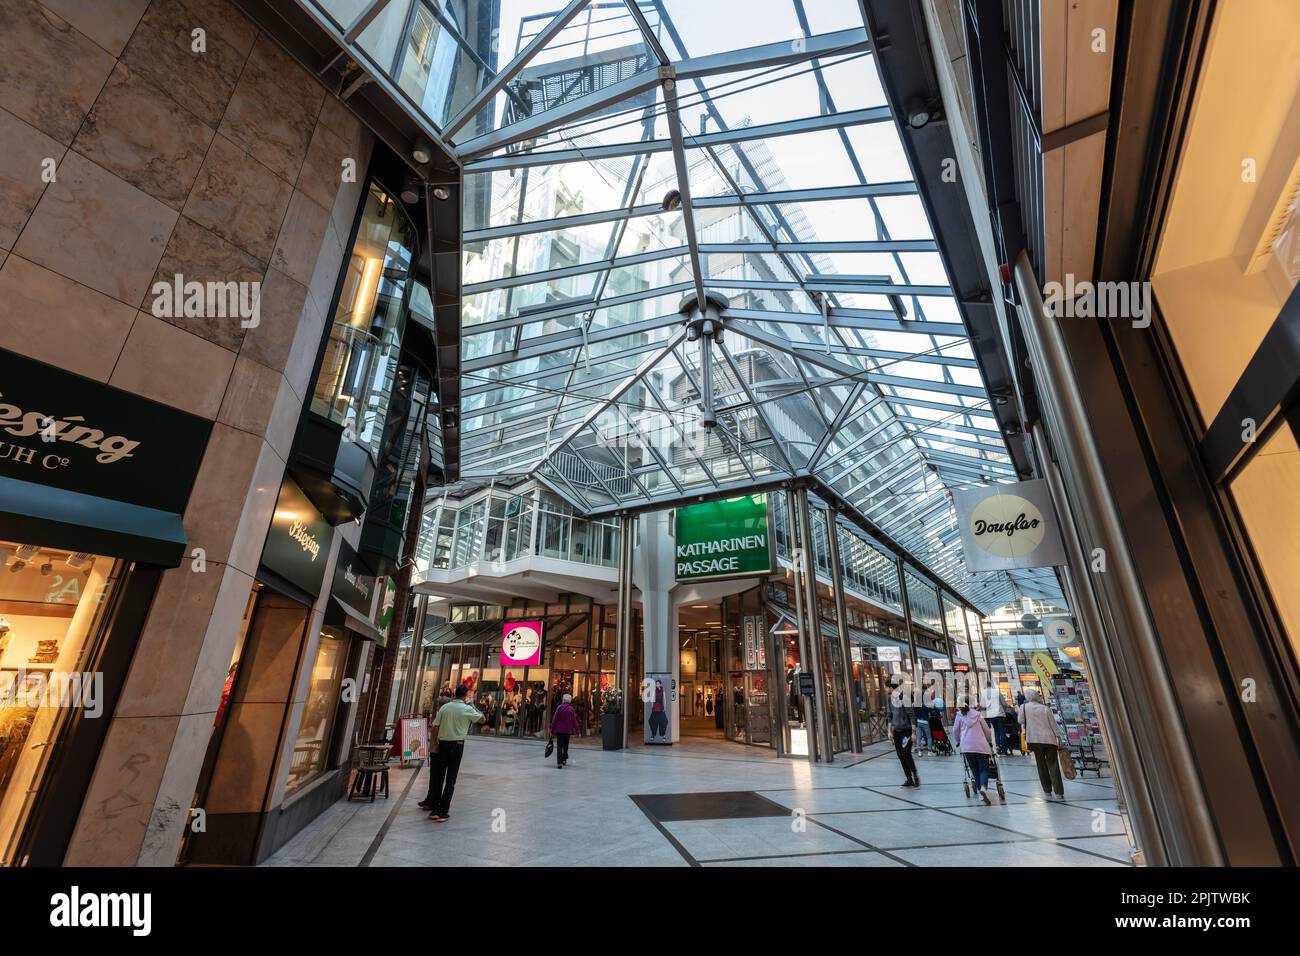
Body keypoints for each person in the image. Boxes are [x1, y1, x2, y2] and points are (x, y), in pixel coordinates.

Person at [419, 684, 485, 822]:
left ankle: (434, 809)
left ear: (454, 694)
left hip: (442, 745)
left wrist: (434, 744)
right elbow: (482, 719)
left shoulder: (445, 707)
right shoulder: (467, 709)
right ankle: (443, 811)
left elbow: (435, 726)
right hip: (457, 746)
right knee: (450, 780)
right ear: (465, 695)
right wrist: (472, 705)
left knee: (438, 778)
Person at [1018, 688, 1066, 799]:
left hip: (1034, 739)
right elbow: (1053, 725)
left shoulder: (1023, 707)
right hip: (1049, 739)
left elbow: (1020, 721)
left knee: (1041, 765)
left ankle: (1047, 790)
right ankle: (1059, 792)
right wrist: (1059, 737)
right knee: (1053, 765)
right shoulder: (1046, 708)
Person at [952, 699, 995, 804]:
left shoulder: (959, 716)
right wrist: (989, 741)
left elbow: (955, 731)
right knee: (983, 769)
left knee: (974, 769)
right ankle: (983, 788)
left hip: (967, 746)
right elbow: (987, 730)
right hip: (981, 745)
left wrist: (958, 741)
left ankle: (980, 788)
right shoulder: (978, 714)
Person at [887, 679, 920, 787]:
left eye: (886, 687)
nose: (885, 689)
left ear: (891, 688)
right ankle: (909, 778)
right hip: (897, 731)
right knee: (900, 755)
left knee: (906, 753)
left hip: (907, 731)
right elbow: (890, 715)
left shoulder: (904, 698)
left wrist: (913, 733)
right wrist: (889, 731)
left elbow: (912, 716)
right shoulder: (889, 700)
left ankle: (915, 774)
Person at [550, 693, 579, 768]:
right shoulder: (571, 709)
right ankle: (564, 759)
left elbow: (555, 720)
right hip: (568, 731)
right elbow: (574, 721)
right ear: (570, 700)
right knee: (566, 745)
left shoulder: (559, 708)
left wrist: (552, 730)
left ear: (563, 699)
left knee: (559, 746)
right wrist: (577, 731)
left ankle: (559, 762)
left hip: (559, 731)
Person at [981, 680, 1009, 754]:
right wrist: (1005, 709)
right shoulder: (996, 691)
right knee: (1002, 731)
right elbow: (1004, 703)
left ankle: (998, 747)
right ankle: (1004, 750)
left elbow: (983, 706)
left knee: (996, 731)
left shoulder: (983, 693)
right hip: (999, 714)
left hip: (991, 715)